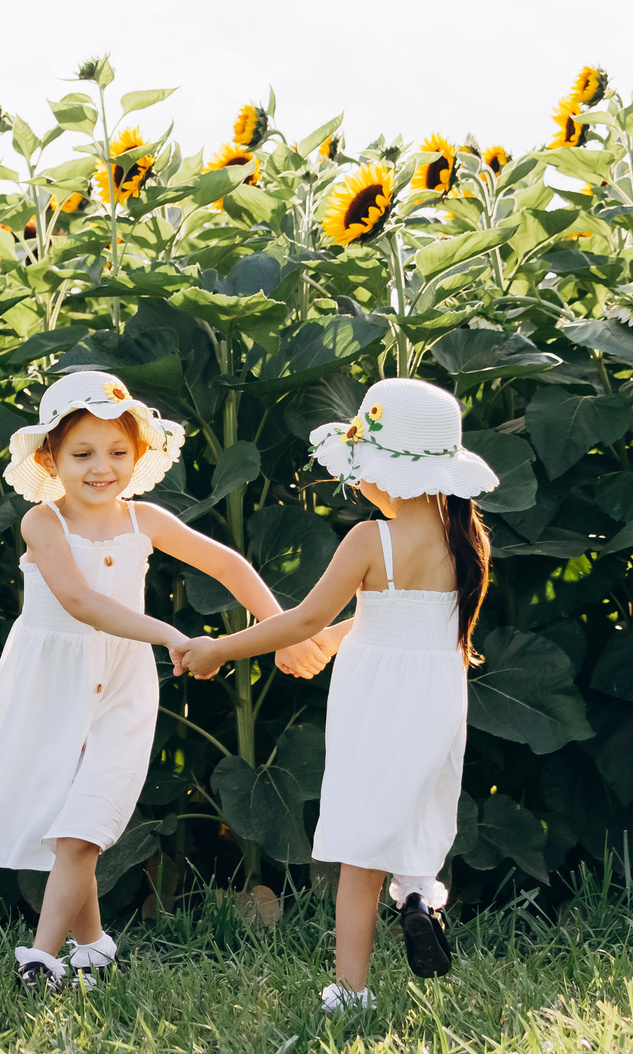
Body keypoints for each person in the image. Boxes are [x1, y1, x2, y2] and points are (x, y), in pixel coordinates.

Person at [0, 371, 311, 992]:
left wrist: (283, 629)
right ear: (50, 458)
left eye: (118, 453)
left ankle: (41, 964)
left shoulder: (144, 520)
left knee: (85, 826)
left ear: (139, 455)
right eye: (82, 454)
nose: (101, 468)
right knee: (67, 824)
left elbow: (227, 562)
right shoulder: (43, 525)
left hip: (123, 689)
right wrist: (170, 635)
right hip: (51, 685)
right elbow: (80, 602)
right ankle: (90, 949)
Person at [175, 376, 497, 1014]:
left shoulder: (370, 540)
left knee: (360, 848)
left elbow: (301, 621)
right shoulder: (465, 542)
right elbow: (410, 617)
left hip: (374, 702)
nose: (359, 487)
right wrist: (336, 639)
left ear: (388, 473)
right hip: (437, 697)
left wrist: (217, 649)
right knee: (413, 811)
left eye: (362, 473)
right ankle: (419, 898)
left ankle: (350, 990)